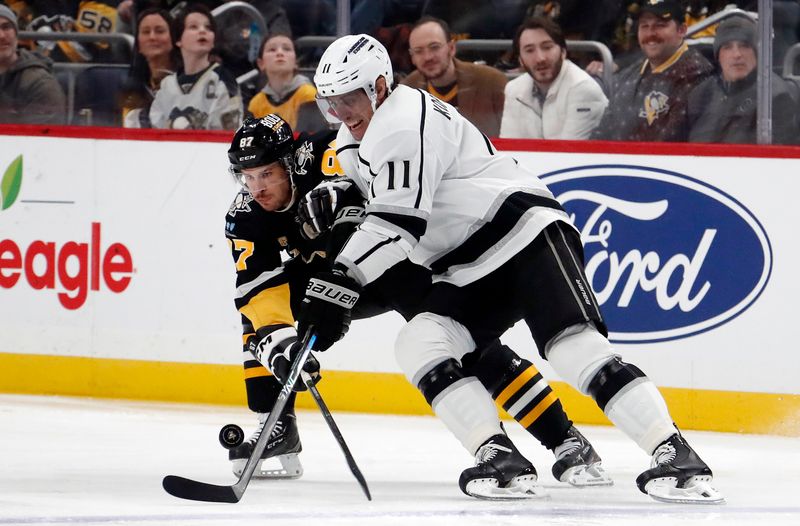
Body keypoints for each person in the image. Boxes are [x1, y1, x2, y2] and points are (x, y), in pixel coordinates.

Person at [298, 33, 724, 503]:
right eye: (329, 102)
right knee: (421, 340)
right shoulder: (359, 131)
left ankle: (675, 453)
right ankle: (499, 455)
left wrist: (339, 282)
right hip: (467, 261)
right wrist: (343, 193)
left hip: (522, 230)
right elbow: (381, 190)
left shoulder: (401, 121)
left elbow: (399, 221)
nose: (341, 112)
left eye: (349, 99)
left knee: (573, 349)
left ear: (380, 85)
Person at [224, 114, 611, 487]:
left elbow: (398, 187)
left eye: (267, 174)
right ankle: (276, 424)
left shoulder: (330, 153)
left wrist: (348, 190)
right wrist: (279, 344)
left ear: (291, 164)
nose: (257, 188)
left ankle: (566, 438)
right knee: (258, 324)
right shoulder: (245, 216)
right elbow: (259, 286)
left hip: (393, 264)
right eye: (248, 177)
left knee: (471, 348)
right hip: (328, 282)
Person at [591, 0, 713, 142]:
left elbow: (672, 141)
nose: (650, 33)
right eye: (644, 26)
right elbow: (602, 133)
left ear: (682, 30)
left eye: (660, 25)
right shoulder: (627, 75)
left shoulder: (699, 76)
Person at [688, 15, 798, 145]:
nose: (737, 54)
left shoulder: (774, 97)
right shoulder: (701, 94)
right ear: (718, 56)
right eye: (727, 47)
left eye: (744, 46)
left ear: (757, 53)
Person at [500, 16, 608, 140]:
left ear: (563, 52)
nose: (540, 58)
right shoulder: (513, 89)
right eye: (530, 51)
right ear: (520, 60)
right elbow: (509, 146)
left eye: (547, 47)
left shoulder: (583, 89)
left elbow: (569, 153)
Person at [401, 15, 507, 137]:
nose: (428, 57)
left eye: (434, 47)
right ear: (412, 57)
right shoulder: (406, 91)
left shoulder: (492, 81)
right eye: (418, 51)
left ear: (451, 48)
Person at [149, 3, 242, 130]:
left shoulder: (223, 80)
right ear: (178, 40)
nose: (202, 30)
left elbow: (228, 132)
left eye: (208, 28)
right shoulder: (166, 85)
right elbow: (155, 128)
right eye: (193, 27)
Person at [0, 4, 66, 125]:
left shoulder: (39, 83)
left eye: (6, 27)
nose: (1, 36)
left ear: (16, 34)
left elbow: (42, 140)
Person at [246, 33, 323, 133]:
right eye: (272, 49)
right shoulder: (256, 104)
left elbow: (309, 138)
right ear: (261, 63)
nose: (279, 53)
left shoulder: (308, 95)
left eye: (286, 49)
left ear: (296, 62)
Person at [119, 8, 179, 128]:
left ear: (174, 39)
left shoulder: (185, 82)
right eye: (146, 32)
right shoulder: (133, 89)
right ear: (138, 44)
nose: (152, 37)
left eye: (160, 31)